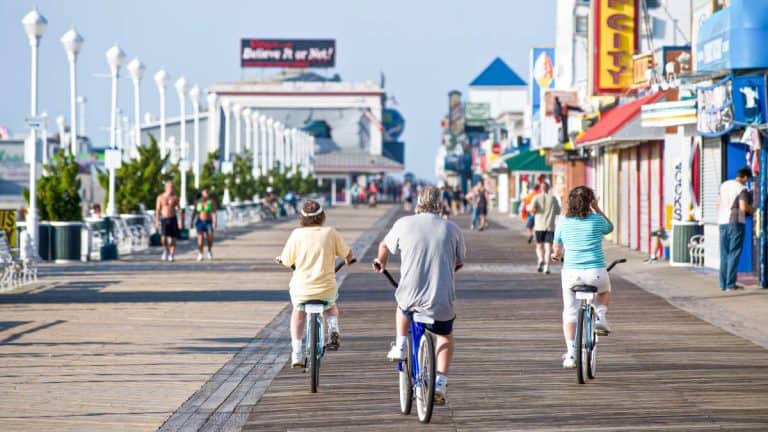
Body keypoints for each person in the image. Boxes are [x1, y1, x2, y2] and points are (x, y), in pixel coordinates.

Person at [374, 186, 466, 405]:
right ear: (440, 203)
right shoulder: (452, 229)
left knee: (402, 304)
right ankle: (441, 382)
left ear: (418, 202)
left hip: (410, 293)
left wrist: (381, 262)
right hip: (440, 298)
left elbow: (384, 245)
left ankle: (401, 344)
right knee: (445, 335)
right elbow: (459, 262)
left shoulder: (403, 224)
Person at [277, 200, 355, 368]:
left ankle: (297, 352)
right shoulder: (330, 233)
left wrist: (282, 260)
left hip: (302, 289)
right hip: (325, 288)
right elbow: (348, 253)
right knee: (331, 306)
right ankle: (333, 329)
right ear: (322, 216)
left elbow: (286, 260)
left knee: (298, 311)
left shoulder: (296, 234)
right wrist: (349, 260)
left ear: (302, 218)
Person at [551, 186, 614, 369]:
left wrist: (556, 255)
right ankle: (601, 316)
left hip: (572, 274)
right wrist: (598, 208)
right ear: (590, 201)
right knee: (605, 291)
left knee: (570, 312)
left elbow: (556, 249)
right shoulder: (596, 220)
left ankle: (571, 353)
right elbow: (610, 228)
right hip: (596, 272)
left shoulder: (563, 221)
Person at [717, 167, 754, 291]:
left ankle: (723, 284)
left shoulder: (724, 185)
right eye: (747, 179)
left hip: (722, 222)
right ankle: (730, 285)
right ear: (744, 177)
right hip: (736, 222)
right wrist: (754, 210)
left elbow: (718, 203)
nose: (747, 181)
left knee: (724, 254)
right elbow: (743, 207)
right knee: (734, 253)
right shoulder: (742, 189)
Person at [528, 183, 561, 274]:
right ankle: (546, 267)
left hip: (539, 225)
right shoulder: (553, 199)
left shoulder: (536, 197)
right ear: (549, 188)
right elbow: (558, 211)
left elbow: (532, 210)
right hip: (550, 226)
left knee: (539, 246)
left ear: (541, 188)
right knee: (548, 248)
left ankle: (540, 259)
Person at [155, 181, 182, 262]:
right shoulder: (160, 197)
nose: (171, 188)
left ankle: (172, 254)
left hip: (173, 218)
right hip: (164, 219)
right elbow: (158, 210)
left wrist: (181, 221)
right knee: (163, 238)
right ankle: (166, 250)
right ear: (166, 188)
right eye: (170, 187)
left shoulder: (175, 198)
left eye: (172, 187)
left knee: (174, 238)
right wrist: (157, 221)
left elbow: (179, 210)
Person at [191, 188, 217, 261]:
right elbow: (194, 212)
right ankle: (200, 253)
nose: (207, 193)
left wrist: (215, 222)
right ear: (202, 193)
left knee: (210, 237)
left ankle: (209, 250)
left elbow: (214, 212)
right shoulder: (197, 202)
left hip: (209, 221)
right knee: (200, 239)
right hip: (200, 221)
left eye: (208, 192)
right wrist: (191, 222)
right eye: (206, 192)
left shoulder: (211, 201)